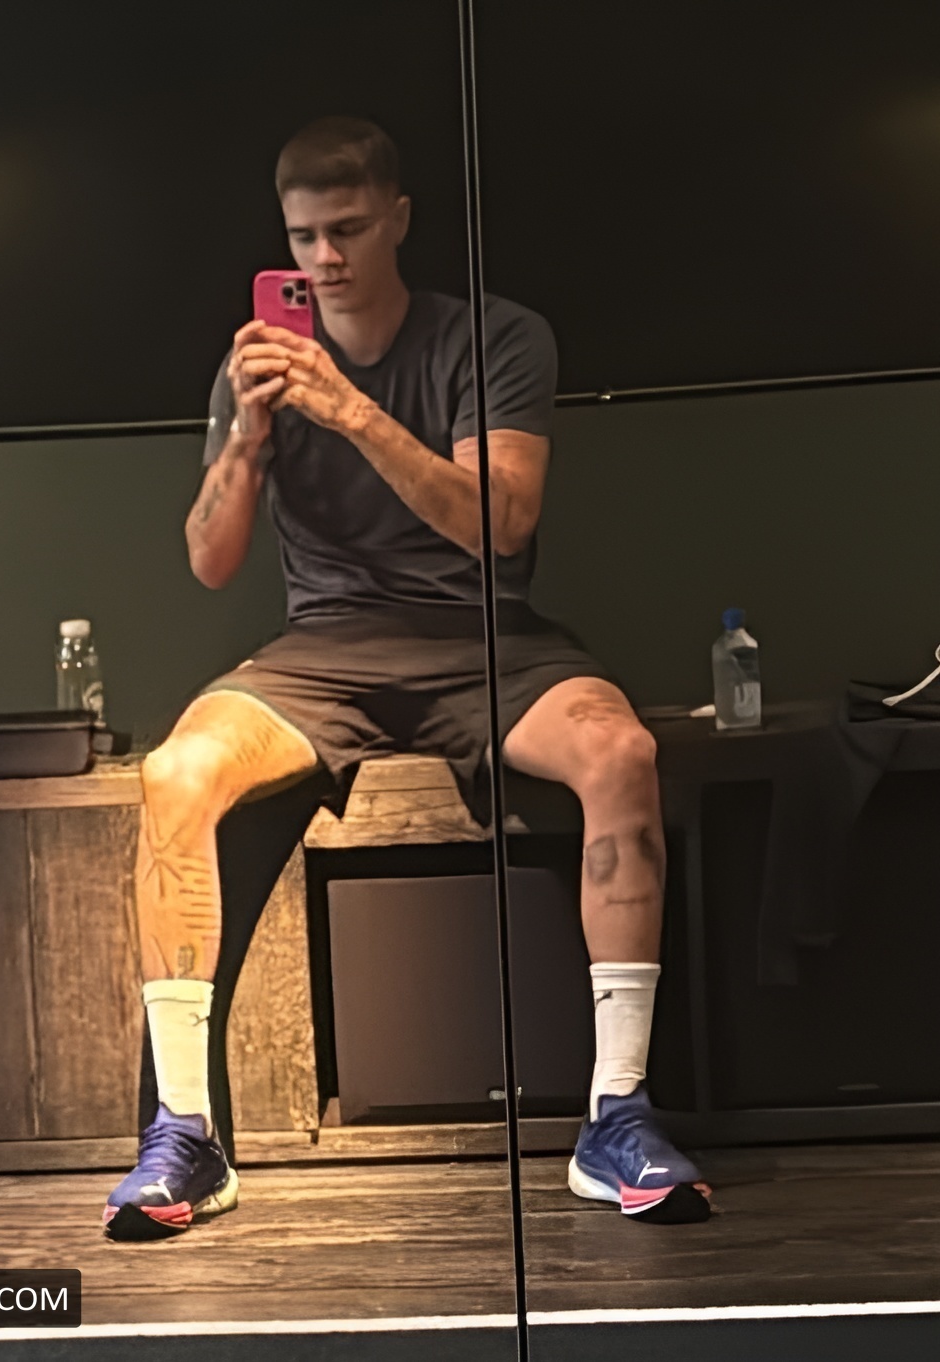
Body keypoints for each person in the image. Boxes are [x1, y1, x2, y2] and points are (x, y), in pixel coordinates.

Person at [102, 117, 710, 1240]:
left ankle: (616, 1116)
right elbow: (209, 560)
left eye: (345, 229)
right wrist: (246, 436)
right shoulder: (257, 364)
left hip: (487, 640)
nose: (325, 257)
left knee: (622, 752)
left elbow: (500, 524)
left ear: (397, 219)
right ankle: (185, 1137)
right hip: (325, 650)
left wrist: (349, 409)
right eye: (303, 237)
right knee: (175, 773)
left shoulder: (495, 338)